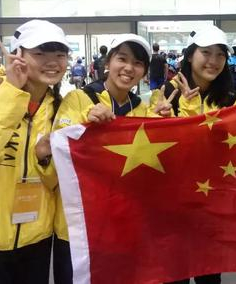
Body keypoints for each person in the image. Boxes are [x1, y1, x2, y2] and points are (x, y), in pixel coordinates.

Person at [52, 34, 176, 284]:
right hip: (80, 225)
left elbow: (160, 166)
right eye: (122, 59)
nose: (129, 68)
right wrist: (86, 120)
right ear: (108, 62)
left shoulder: (141, 110)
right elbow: (58, 146)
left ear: (144, 72)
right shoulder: (79, 99)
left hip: (123, 224)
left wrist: (165, 122)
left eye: (138, 63)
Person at [0, 19, 70, 283]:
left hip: (36, 238)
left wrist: (43, 159)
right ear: (18, 54)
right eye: (40, 53)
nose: (52, 62)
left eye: (60, 54)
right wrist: (11, 91)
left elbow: (55, 182)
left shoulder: (60, 107)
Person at [159, 25, 236, 284]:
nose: (213, 61)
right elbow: (159, 143)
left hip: (212, 200)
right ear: (190, 55)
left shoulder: (230, 99)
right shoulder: (168, 93)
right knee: (175, 272)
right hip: (174, 200)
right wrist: (171, 112)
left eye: (220, 54)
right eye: (206, 52)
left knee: (209, 273)